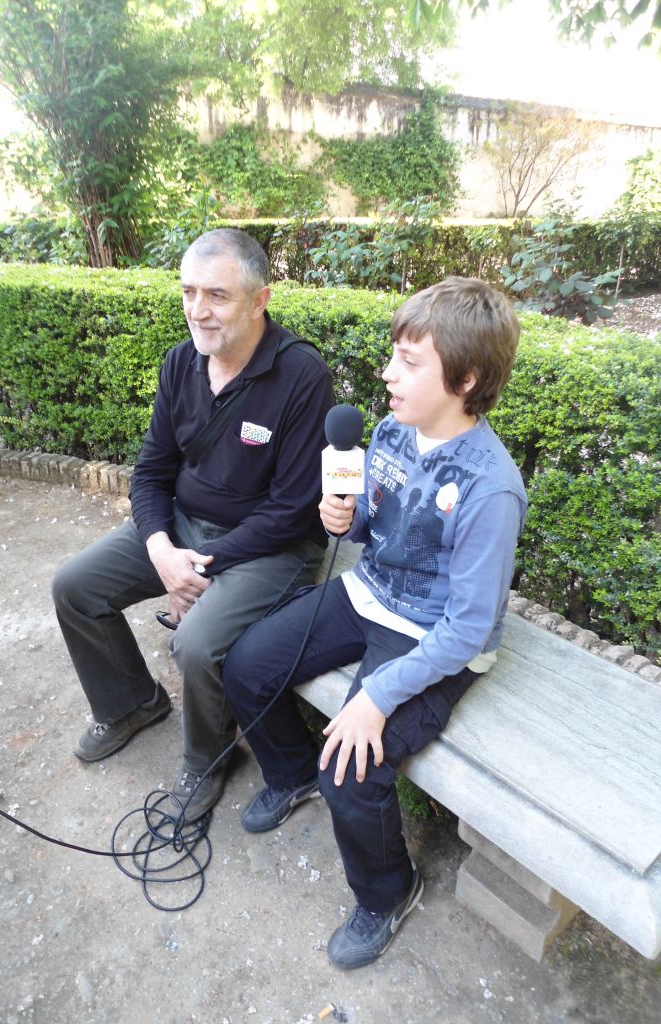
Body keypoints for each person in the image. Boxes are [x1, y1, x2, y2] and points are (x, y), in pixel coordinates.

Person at [222, 277, 528, 969]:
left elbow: (469, 630)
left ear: (467, 378)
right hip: (370, 592)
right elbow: (370, 525)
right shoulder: (392, 430)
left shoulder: (489, 488)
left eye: (409, 362)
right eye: (393, 355)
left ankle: (388, 892)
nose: (387, 374)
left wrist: (377, 695)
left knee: (353, 772)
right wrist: (345, 514)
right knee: (245, 665)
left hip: (436, 637)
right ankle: (289, 771)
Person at [52, 228, 334, 822]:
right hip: (181, 528)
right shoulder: (181, 364)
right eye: (188, 292)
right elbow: (151, 471)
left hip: (270, 548)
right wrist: (160, 549)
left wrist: (202, 568)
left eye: (217, 295)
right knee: (75, 587)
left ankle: (206, 758)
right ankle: (132, 703)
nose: (198, 310)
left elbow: (290, 510)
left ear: (261, 300)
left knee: (197, 643)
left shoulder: (301, 376)